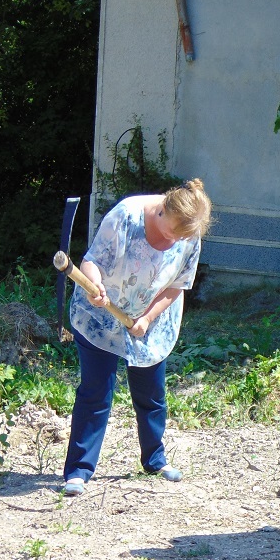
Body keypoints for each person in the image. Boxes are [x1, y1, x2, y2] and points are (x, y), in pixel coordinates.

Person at [62, 179, 213, 496]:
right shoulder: (126, 216)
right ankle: (78, 472)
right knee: (96, 390)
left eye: (179, 237)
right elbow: (92, 261)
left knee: (151, 393)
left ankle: (155, 460)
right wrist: (95, 285)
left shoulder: (189, 232)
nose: (172, 241)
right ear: (162, 209)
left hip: (151, 319)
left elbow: (178, 285)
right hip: (101, 314)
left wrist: (146, 318)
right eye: (169, 232)